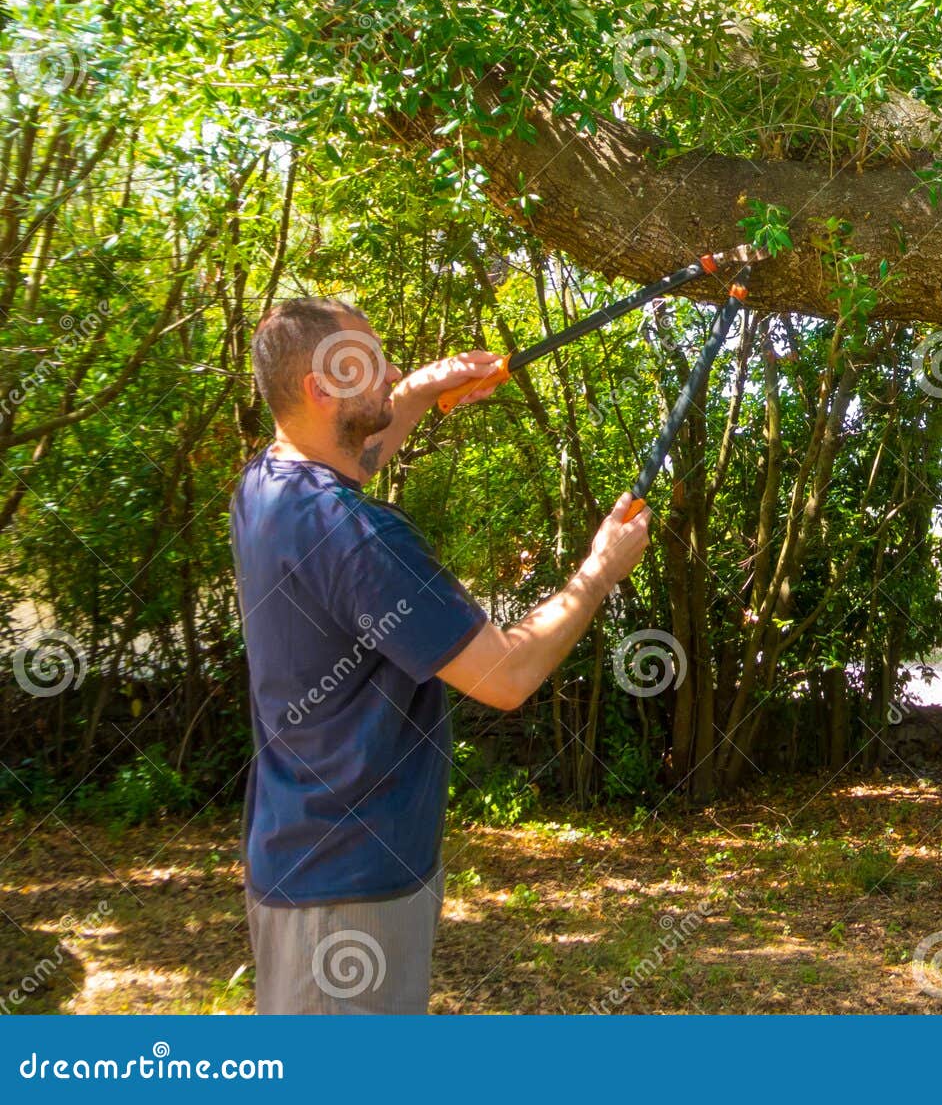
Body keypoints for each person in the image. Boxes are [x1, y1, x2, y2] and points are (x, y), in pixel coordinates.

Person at [230, 297, 649, 1013]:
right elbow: (507, 674)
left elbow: (355, 454)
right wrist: (599, 572)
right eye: (371, 365)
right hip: (349, 891)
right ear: (320, 388)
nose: (390, 372)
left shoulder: (269, 487)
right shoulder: (358, 537)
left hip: (303, 863)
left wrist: (421, 391)